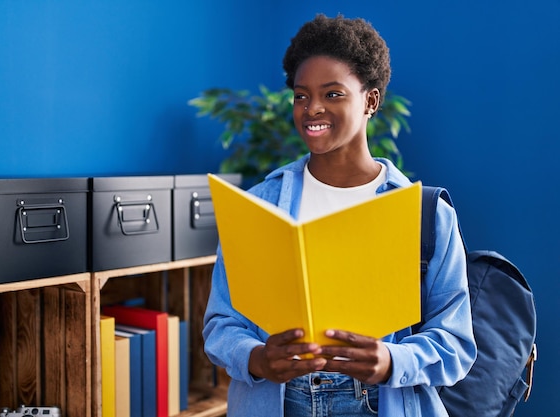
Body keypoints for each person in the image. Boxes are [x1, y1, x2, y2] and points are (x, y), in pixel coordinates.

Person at [203, 14, 476, 417]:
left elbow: (456, 342)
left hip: (380, 402)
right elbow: (220, 324)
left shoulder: (426, 213)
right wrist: (258, 358)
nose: (312, 108)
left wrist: (391, 361)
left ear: (370, 100)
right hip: (278, 402)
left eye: (332, 94)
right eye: (301, 95)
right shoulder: (260, 204)